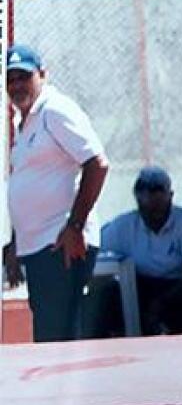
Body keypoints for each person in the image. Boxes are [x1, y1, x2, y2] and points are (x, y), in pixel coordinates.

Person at [4, 43, 108, 342]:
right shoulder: (22, 122)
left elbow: (97, 164)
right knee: (50, 337)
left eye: (24, 76)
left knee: (58, 340)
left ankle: (73, 391)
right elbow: (28, 184)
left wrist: (75, 226)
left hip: (62, 244)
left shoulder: (55, 110)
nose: (16, 85)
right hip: (37, 248)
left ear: (43, 75)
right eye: (10, 78)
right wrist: (15, 245)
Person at [88, 166, 182, 336]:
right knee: (107, 296)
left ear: (170, 196)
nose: (154, 212)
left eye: (158, 196)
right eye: (147, 206)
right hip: (142, 287)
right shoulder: (123, 225)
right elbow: (96, 252)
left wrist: (160, 304)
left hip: (179, 286)